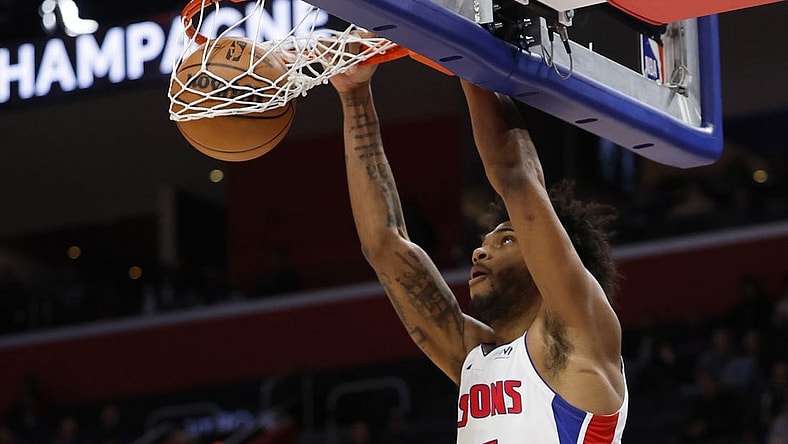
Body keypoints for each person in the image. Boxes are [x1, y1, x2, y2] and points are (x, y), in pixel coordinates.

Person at [329, 58, 628, 442]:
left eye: (506, 239)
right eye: (484, 242)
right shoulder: (477, 359)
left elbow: (518, 178)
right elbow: (385, 245)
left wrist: (467, 57)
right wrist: (354, 94)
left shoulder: (580, 333)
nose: (479, 253)